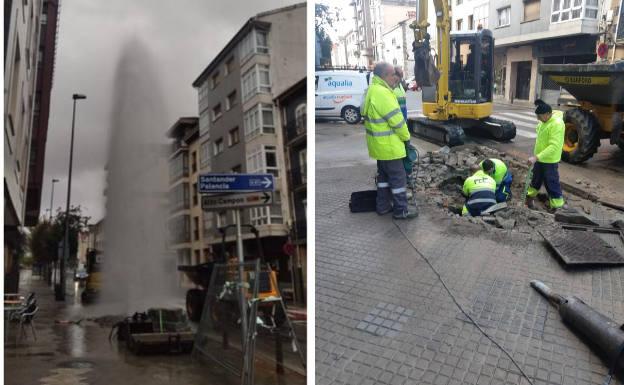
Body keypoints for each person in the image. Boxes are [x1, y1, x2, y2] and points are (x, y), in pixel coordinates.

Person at [361, 62, 417, 219]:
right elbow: (398, 122)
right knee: (399, 180)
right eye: (393, 75)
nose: (396, 78)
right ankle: (401, 211)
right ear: (384, 76)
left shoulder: (371, 90)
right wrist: (407, 139)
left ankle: (383, 206)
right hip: (390, 147)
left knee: (384, 179)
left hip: (379, 147)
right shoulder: (383, 94)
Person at [526, 99, 565, 210]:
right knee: (535, 180)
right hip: (539, 159)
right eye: (537, 116)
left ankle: (557, 207)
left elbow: (553, 146)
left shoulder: (557, 124)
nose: (538, 119)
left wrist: (536, 157)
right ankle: (529, 198)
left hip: (550, 161)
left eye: (539, 116)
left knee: (551, 183)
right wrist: (536, 157)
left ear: (548, 114)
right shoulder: (544, 121)